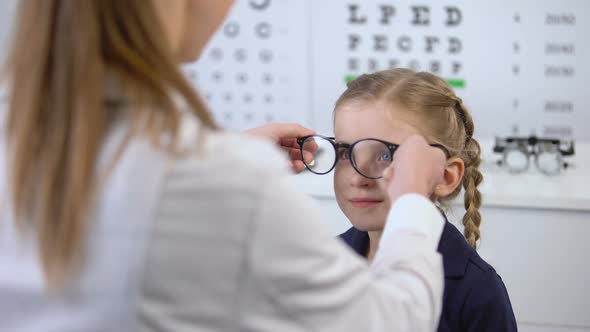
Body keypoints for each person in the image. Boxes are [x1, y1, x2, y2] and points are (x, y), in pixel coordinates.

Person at [1, 1, 446, 331]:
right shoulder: (219, 179)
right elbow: (393, 321)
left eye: (382, 154)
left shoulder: (15, 128)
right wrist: (410, 196)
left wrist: (224, 157)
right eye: (346, 152)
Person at [298, 68, 517, 331]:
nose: (358, 178)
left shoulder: (477, 291)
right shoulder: (328, 262)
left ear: (446, 177)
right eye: (346, 153)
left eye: (385, 156)